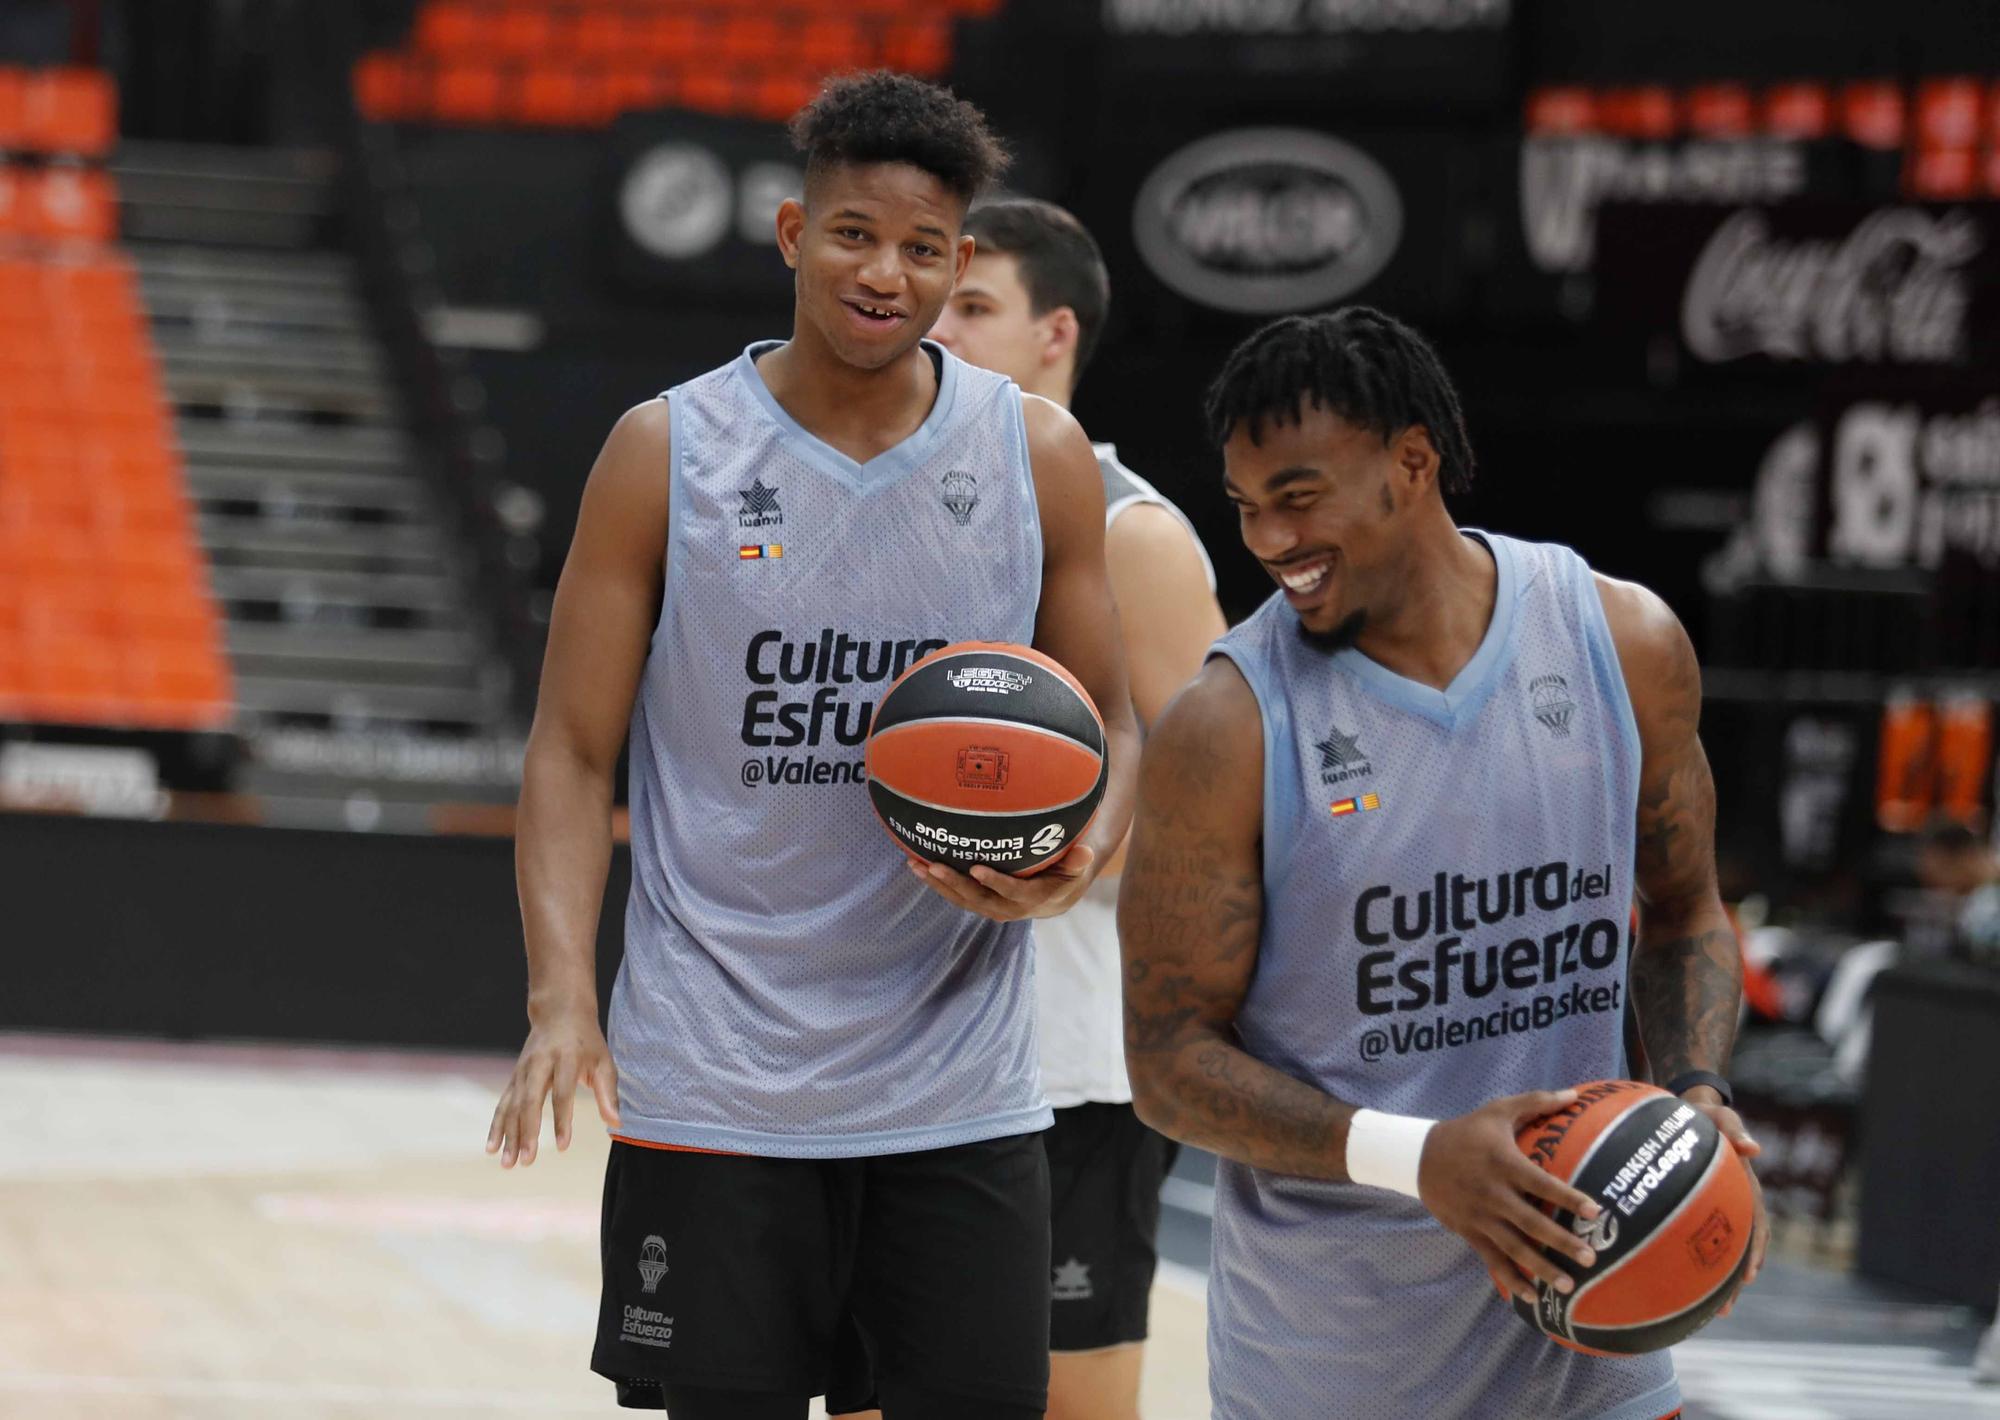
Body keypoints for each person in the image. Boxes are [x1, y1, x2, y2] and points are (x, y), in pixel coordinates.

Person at [483, 72, 1140, 1420]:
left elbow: (1114, 721)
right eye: (853, 233)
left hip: (958, 1088)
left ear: (957, 263)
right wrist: (561, 993)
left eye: (922, 248)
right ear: (793, 234)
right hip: (720, 1083)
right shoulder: (665, 454)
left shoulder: (1038, 458)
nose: (884, 271)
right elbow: (569, 752)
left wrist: (1079, 853)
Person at [1117, 307, 1768, 1419]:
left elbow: (1683, 910)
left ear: (1410, 463)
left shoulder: (1619, 640)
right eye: (1245, 507)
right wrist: (1416, 1156)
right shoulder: (1225, 726)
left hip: (1591, 1351)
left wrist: (1695, 1093)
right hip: (1336, 1365)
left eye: (1298, 496)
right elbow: (1168, 1062)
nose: (1268, 540)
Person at [929, 198, 1225, 1420]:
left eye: (970, 304)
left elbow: (1226, 805)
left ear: (1057, 333)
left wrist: (1063, 846)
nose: (932, 325)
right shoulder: (893, 507)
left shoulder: (1132, 532)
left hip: (1068, 1057)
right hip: (896, 1041)